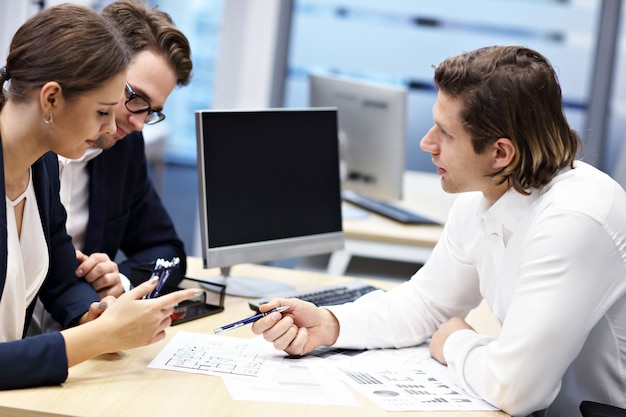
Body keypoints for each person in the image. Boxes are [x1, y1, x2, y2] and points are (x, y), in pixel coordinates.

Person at [252, 45, 626, 417]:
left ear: (500, 154)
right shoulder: (485, 194)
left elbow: (517, 389)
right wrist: (330, 324)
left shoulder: (575, 217)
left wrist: (454, 343)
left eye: (445, 133)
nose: (426, 143)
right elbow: (426, 304)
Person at [0, 3, 199, 390]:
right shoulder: (45, 157)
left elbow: (60, 275)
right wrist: (99, 336)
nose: (119, 127)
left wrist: (98, 314)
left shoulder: (37, 167)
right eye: (103, 111)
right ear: (52, 99)